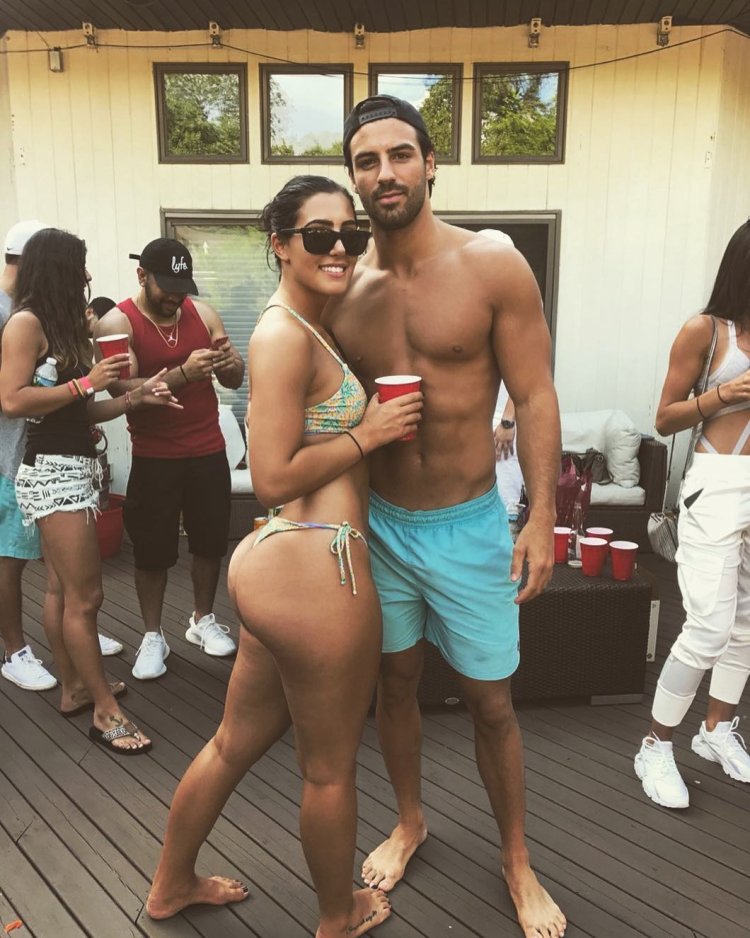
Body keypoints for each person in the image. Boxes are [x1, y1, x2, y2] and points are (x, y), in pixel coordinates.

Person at [146, 175, 422, 937]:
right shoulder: (282, 336)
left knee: (233, 743)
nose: (340, 249)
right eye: (319, 235)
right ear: (279, 244)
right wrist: (369, 433)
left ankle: (171, 885)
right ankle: (339, 914)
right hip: (318, 570)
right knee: (328, 770)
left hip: (282, 566)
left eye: (350, 234)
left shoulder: (307, 323)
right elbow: (269, 475)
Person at [324, 95, 566, 938]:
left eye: (400, 154)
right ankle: (411, 820)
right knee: (393, 685)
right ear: (354, 179)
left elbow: (534, 394)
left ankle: (516, 859)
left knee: (491, 703)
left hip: (468, 524)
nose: (384, 172)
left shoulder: (492, 264)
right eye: (366, 161)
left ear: (430, 163)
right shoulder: (342, 287)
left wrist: (540, 516)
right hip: (381, 522)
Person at [0, 228, 180, 750]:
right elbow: (11, 400)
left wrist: (134, 399)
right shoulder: (26, 324)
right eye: (79, 264)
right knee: (87, 597)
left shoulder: (64, 326)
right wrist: (87, 381)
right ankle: (105, 712)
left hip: (74, 464)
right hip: (51, 473)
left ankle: (75, 688)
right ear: (57, 268)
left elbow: (79, 411)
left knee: (63, 590)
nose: (87, 274)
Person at [634, 220, 750, 808]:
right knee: (707, 625)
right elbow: (664, 417)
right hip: (718, 483)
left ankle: (716, 730)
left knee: (747, 624)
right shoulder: (707, 330)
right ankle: (655, 745)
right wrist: (724, 395)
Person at [94, 239, 245, 680]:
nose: (176, 296)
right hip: (154, 455)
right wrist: (183, 373)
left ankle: (202, 619)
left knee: (210, 542)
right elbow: (120, 389)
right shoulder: (117, 322)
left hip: (208, 448)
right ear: (142, 276)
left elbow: (234, 379)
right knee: (152, 552)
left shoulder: (204, 314)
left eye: (183, 287)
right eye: (167, 286)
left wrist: (229, 363)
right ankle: (152, 635)